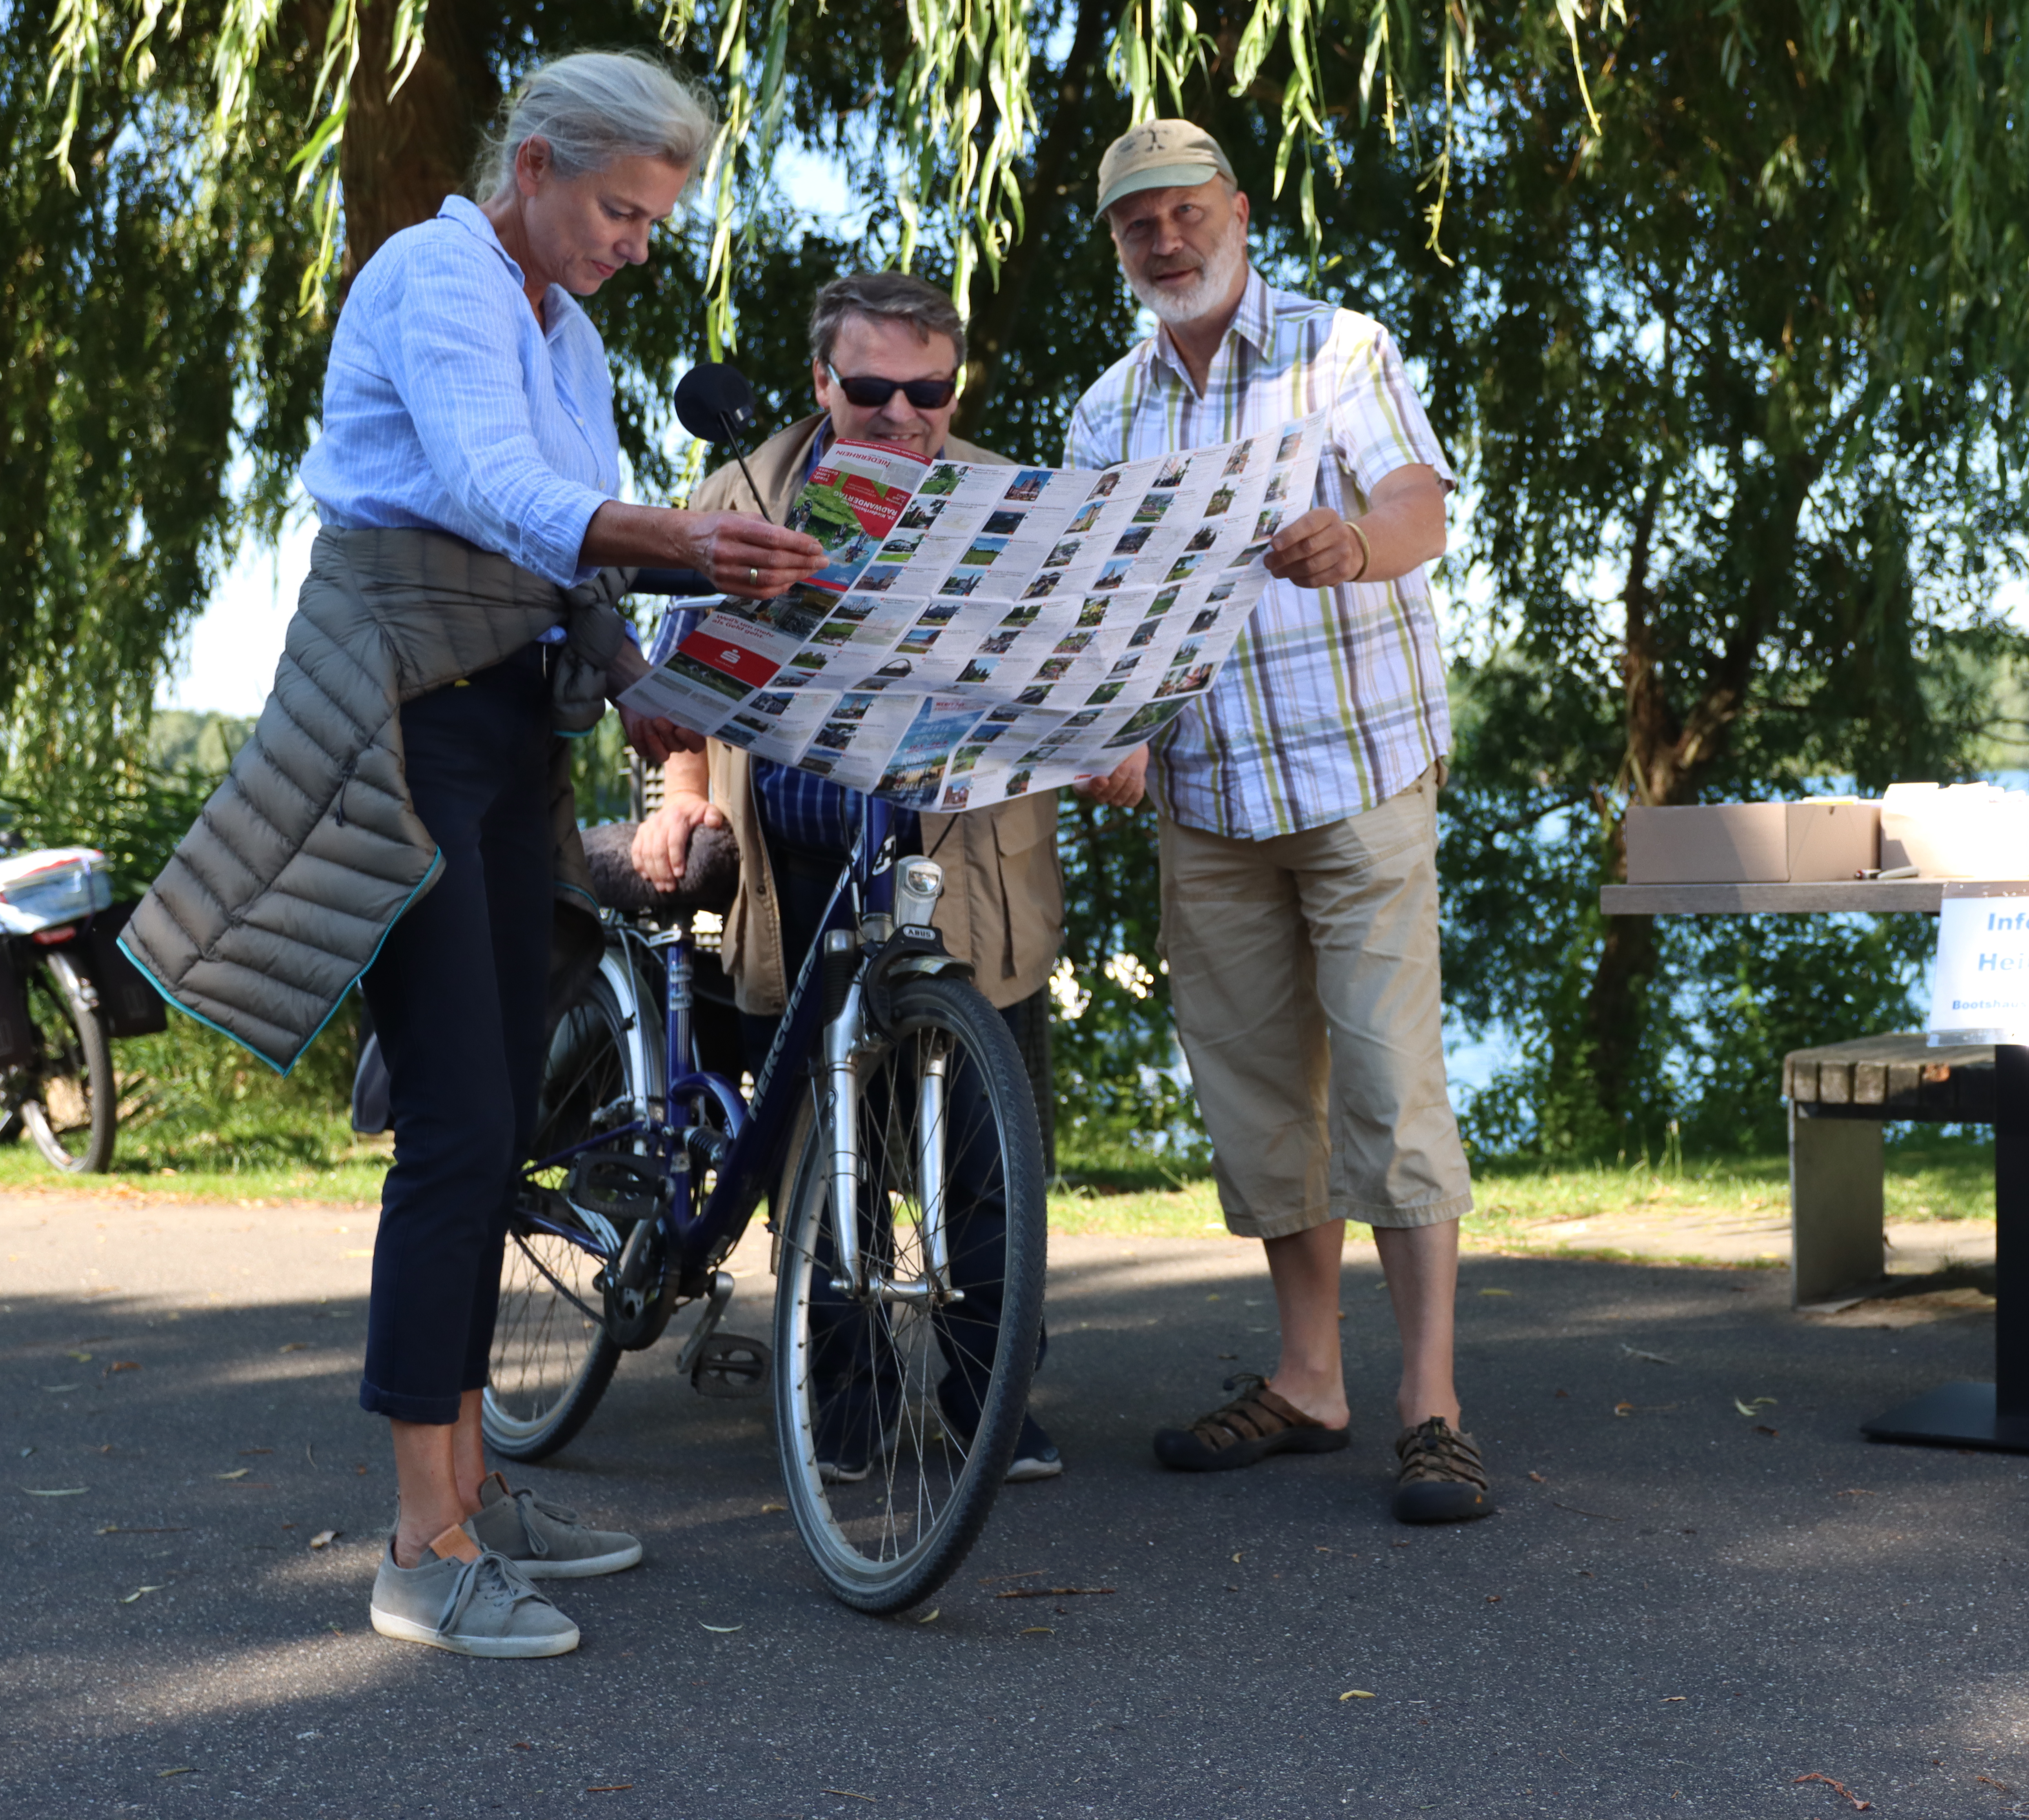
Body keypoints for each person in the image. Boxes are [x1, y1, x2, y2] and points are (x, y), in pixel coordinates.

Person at [124, 51, 827, 1657]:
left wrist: (646, 688)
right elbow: (497, 491)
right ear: (530, 165)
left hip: (512, 722)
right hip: (406, 718)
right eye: (619, 210)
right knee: (454, 1123)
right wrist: (684, 539)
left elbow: (555, 536)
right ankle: (419, 1539)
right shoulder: (433, 273)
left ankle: (477, 1493)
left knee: (505, 1107)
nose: (636, 245)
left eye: (656, 220)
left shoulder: (562, 328)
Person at [1065, 120, 1492, 1523]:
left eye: (1188, 214)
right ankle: (1312, 1381)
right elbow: (1105, 618)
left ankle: (1430, 1408)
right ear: (1119, 246)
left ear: (1238, 212)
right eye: (1140, 227)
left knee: (1387, 1080)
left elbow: (1421, 506)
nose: (1168, 243)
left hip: (1356, 771)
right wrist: (1114, 730)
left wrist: (1358, 546)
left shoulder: (1338, 350)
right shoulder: (1106, 411)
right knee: (1257, 1104)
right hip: (1207, 796)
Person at [627, 271, 1066, 1481]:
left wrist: (1113, 731)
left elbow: (1067, 661)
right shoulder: (745, 491)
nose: (902, 414)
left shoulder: (1007, 500)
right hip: (803, 861)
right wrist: (682, 797)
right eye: (871, 390)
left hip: (965, 861)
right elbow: (676, 681)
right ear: (822, 381)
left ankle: (990, 1406)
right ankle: (849, 1403)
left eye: (929, 391)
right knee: (828, 1155)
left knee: (988, 1155)